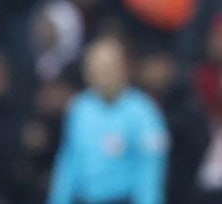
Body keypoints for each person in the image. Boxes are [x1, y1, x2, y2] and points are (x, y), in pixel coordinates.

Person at [48, 37, 169, 204]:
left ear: (123, 69)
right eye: (95, 68)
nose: (102, 75)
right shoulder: (80, 108)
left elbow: (150, 170)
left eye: (108, 68)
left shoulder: (144, 113)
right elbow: (69, 161)